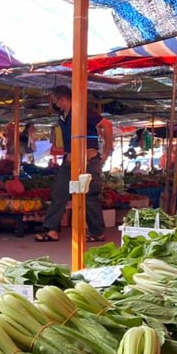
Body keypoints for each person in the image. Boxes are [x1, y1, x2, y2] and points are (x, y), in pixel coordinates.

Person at [35, 85, 113, 243]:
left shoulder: (82, 112)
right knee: (59, 192)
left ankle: (97, 232)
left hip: (89, 160)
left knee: (89, 195)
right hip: (70, 160)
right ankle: (51, 230)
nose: (55, 105)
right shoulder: (62, 116)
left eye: (56, 101)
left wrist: (106, 150)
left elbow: (107, 125)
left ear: (63, 99)